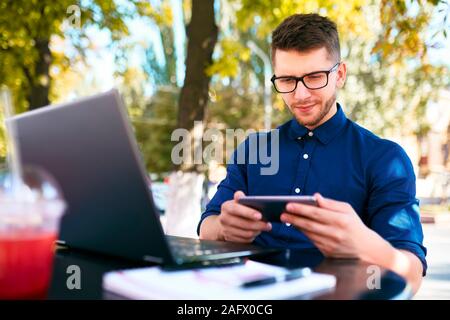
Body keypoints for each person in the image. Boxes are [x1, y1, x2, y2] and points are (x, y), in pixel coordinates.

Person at [197, 13, 426, 293]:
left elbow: (412, 275)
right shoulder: (254, 149)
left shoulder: (385, 159)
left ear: (339, 74)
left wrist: (362, 242)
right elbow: (206, 227)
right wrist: (224, 226)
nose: (300, 94)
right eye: (287, 80)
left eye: (314, 77)